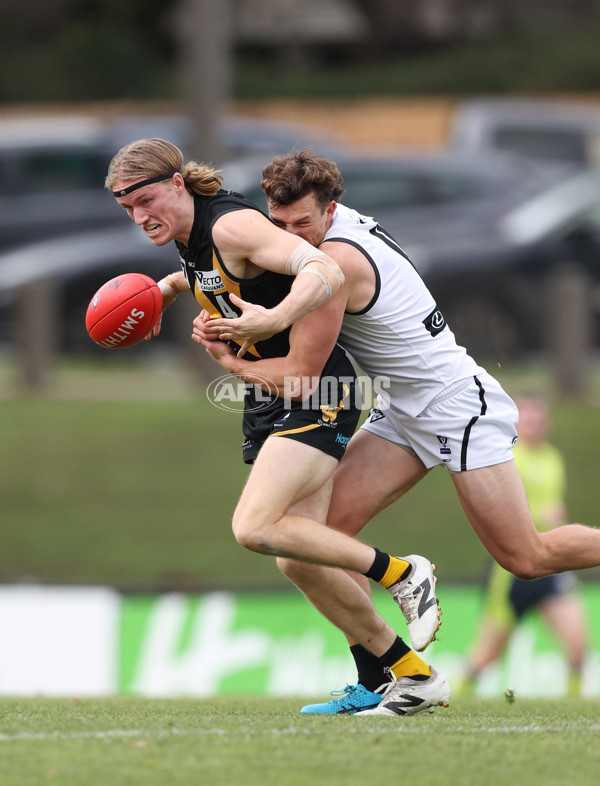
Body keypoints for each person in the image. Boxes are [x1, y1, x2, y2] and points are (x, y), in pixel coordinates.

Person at [197, 148, 600, 716]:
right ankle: (387, 678)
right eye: (279, 224)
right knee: (315, 543)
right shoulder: (320, 241)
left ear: (331, 208)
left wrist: (232, 353)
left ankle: (400, 622)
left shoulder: (336, 265)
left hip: (457, 406)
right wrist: (176, 285)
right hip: (403, 409)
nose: (291, 236)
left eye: (302, 223)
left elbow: (300, 376)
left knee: (525, 557)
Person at [105, 138, 449, 718]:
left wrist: (273, 320)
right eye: (127, 209)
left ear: (178, 183)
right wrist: (159, 293)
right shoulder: (192, 237)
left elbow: (321, 267)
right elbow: (207, 277)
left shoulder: (232, 226)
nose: (140, 217)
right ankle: (408, 676)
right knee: (296, 556)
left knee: (254, 525)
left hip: (318, 394)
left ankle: (401, 571)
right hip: (274, 394)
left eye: (145, 200)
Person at [461, 394, 589, 696]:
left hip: (551, 565)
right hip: (511, 571)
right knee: (489, 653)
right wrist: (540, 515)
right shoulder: (506, 456)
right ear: (516, 422)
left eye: (537, 419)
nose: (532, 425)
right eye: (526, 419)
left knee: (577, 645)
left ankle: (574, 706)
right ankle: (455, 693)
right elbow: (500, 511)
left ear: (547, 424)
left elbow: (553, 509)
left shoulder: (553, 458)